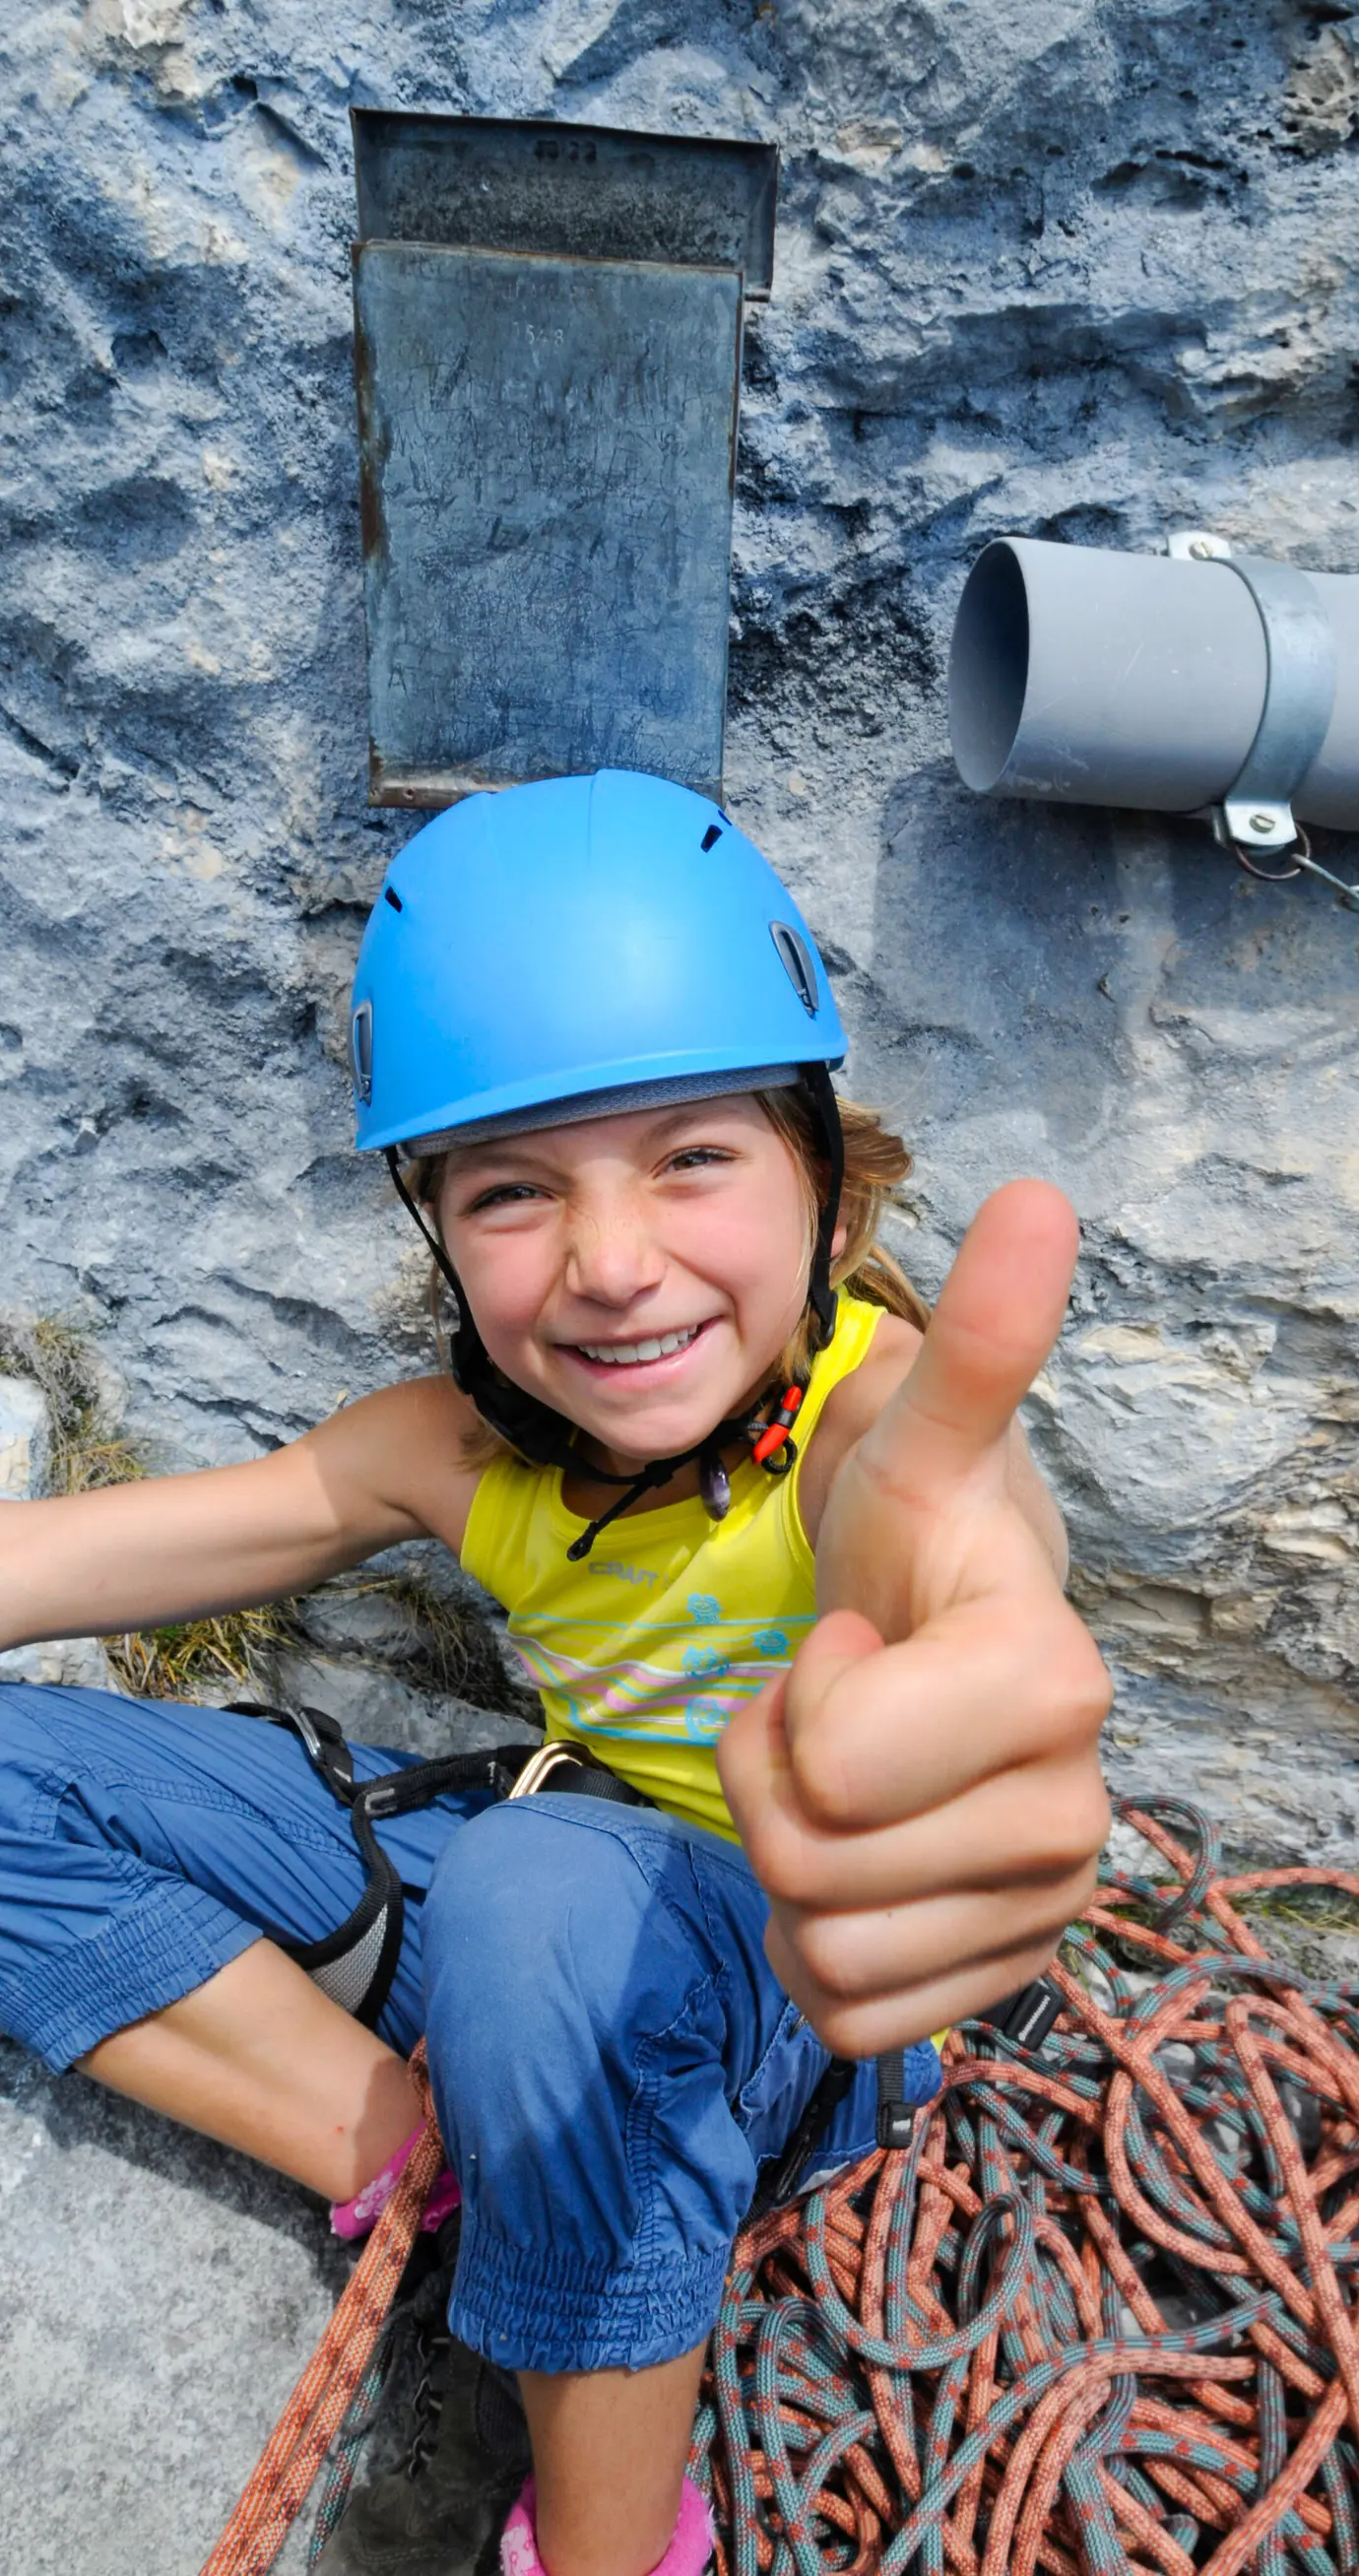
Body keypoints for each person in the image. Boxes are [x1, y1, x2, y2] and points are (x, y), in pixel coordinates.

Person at [0, 770, 1113, 2576]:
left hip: (776, 1989)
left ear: (832, 1203)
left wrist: (985, 1639)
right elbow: (86, 1554)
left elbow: (961, 1538)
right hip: (536, 1918)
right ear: (441, 1234)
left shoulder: (874, 1423)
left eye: (693, 1158)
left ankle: (609, 2547)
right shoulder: (453, 1450)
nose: (608, 1263)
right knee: (520, 1884)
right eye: (515, 1189)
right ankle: (432, 2159)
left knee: (538, 1888)